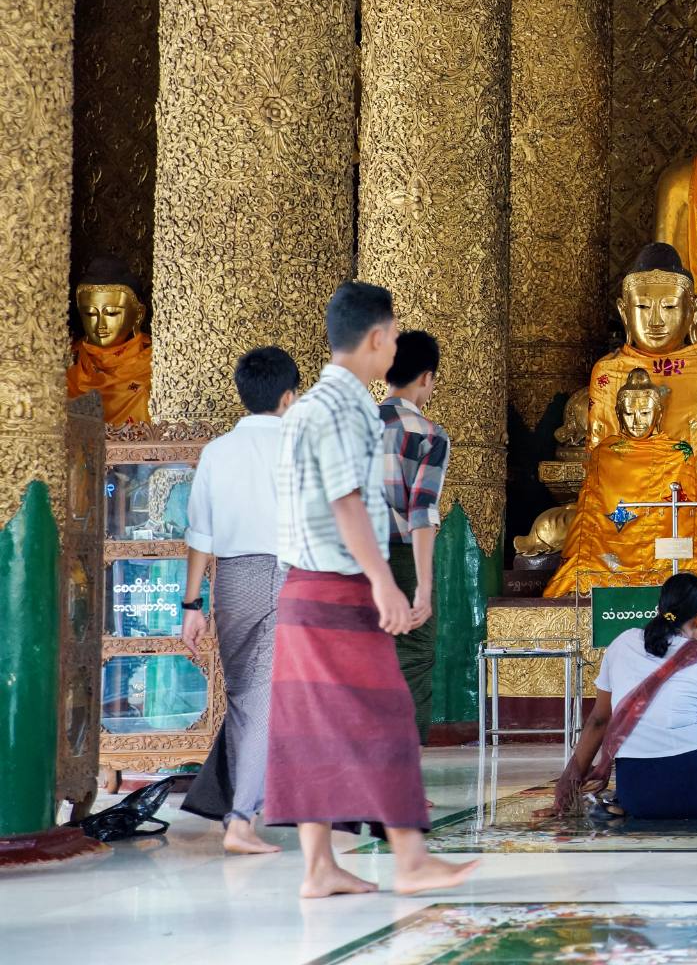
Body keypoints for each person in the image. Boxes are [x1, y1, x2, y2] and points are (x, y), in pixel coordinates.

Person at [262, 280, 476, 899]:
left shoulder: (302, 407)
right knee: (387, 715)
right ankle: (410, 858)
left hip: (298, 586)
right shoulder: (348, 408)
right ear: (379, 338)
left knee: (308, 726)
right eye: (391, 339)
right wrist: (384, 582)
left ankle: (318, 866)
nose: (392, 354)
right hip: (341, 585)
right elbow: (347, 500)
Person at [178, 346, 302, 855]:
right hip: (285, 576)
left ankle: (242, 800)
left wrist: (191, 605)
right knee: (261, 700)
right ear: (291, 396)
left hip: (230, 581)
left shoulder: (216, 452)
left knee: (245, 696)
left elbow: (200, 536)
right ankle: (241, 820)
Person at [554, 573, 697, 820]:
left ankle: (620, 804)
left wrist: (571, 779)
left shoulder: (621, 643)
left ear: (660, 608)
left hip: (637, 794)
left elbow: (599, 721)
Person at [379, 330, 448, 743]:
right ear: (426, 377)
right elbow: (421, 513)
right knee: (413, 656)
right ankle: (402, 777)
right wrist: (423, 587)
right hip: (401, 557)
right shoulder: (427, 433)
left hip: (345, 558)